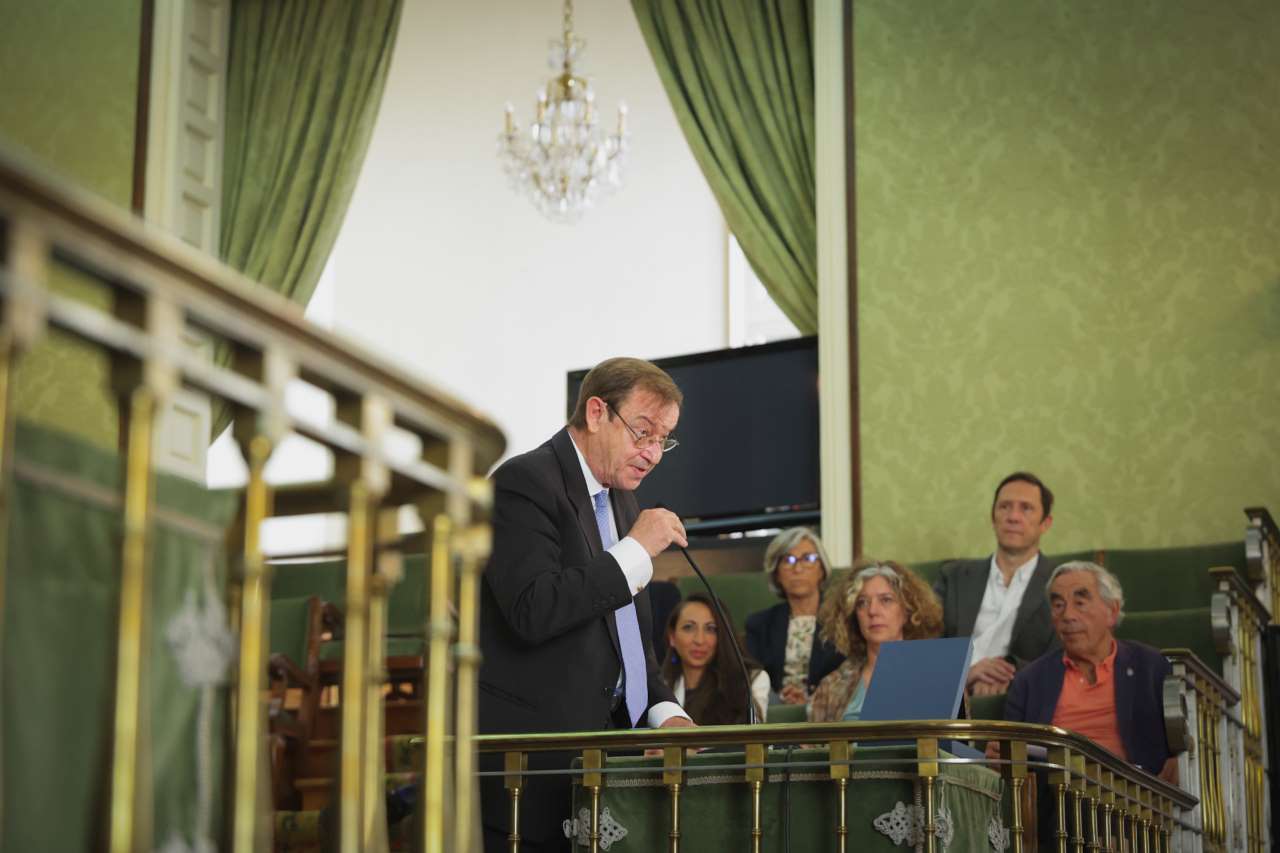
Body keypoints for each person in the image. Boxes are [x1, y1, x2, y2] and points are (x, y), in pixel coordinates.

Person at [477, 357, 695, 853]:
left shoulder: (621, 501)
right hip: (529, 776)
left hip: (603, 772)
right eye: (643, 432)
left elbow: (629, 638)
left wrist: (666, 713)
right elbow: (534, 609)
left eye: (664, 439)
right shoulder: (522, 483)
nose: (653, 453)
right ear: (597, 412)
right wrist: (637, 551)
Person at [996, 562, 1176, 781]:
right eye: (1058, 605)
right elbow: (1013, 759)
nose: (1068, 615)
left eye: (1080, 603)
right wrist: (1002, 759)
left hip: (1139, 801)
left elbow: (1185, 740)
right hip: (1060, 802)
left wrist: (1178, 762)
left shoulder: (1152, 667)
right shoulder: (1030, 682)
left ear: (1112, 611)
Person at [933, 471, 1059, 697]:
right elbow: (926, 646)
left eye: (1026, 508)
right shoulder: (953, 577)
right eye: (1005, 507)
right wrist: (966, 675)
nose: (1013, 516)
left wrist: (1008, 676)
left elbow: (1062, 656)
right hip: (951, 695)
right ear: (993, 518)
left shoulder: (1060, 583)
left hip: (1022, 699)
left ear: (1045, 523)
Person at [808, 561, 943, 722]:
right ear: (852, 615)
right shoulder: (833, 685)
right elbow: (814, 745)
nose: (872, 611)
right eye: (862, 603)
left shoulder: (937, 675)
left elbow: (958, 742)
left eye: (886, 600)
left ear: (908, 611)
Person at [745, 528, 846, 705]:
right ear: (776, 574)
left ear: (822, 569)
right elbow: (751, 679)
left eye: (808, 559)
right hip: (774, 713)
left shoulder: (843, 620)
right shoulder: (759, 625)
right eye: (788, 560)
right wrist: (781, 699)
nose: (798, 568)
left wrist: (812, 699)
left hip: (830, 712)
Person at [662, 592, 770, 725]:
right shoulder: (660, 687)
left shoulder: (751, 680)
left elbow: (752, 740)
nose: (699, 640)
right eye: (688, 628)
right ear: (672, 637)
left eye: (711, 629)